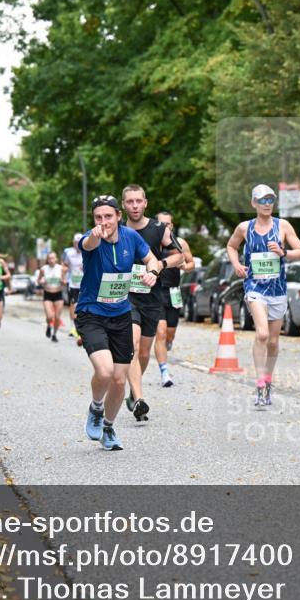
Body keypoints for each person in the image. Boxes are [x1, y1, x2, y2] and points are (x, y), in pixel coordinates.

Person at [77, 195, 164, 450]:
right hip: (92, 313)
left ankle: (108, 427)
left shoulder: (130, 237)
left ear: (118, 216)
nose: (103, 222)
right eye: (98, 217)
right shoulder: (91, 238)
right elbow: (88, 243)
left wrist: (153, 272)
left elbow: (152, 259)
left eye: (108, 216)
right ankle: (95, 407)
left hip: (121, 314)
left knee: (118, 379)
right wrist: (95, 234)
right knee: (104, 371)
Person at [226, 184, 300, 406]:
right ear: (254, 203)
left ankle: (268, 380)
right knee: (261, 334)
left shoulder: (283, 226)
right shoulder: (244, 228)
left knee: (272, 341)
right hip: (254, 287)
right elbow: (231, 246)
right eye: (262, 200)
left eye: (270, 199)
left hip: (277, 289)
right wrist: (236, 265)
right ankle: (260, 383)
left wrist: (283, 252)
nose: (267, 203)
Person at [121, 184, 183, 420]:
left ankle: (132, 390)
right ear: (123, 204)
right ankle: (139, 399)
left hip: (152, 297)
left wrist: (160, 265)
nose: (135, 206)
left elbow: (179, 256)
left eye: (139, 201)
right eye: (130, 202)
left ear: (145, 203)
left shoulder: (159, 229)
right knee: (133, 345)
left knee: (145, 352)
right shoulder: (117, 229)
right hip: (126, 297)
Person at [153, 211, 196, 387]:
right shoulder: (152, 244)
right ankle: (164, 373)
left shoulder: (181, 243)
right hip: (156, 292)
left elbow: (191, 263)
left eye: (168, 224)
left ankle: (168, 344)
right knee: (161, 332)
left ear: (172, 225)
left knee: (170, 333)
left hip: (173, 292)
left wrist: (185, 266)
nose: (165, 227)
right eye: (162, 224)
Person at [37, 251, 65, 342]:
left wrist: (62, 281)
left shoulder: (61, 268)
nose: (51, 260)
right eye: (49, 258)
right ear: (47, 260)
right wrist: (41, 282)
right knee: (50, 316)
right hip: (48, 294)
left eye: (53, 258)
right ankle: (49, 326)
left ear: (56, 259)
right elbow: (38, 280)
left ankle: (54, 334)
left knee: (57, 317)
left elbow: (65, 282)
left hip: (58, 294)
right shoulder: (43, 269)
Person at [62, 233, 84, 344]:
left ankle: (82, 326)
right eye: (76, 243)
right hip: (73, 284)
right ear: (73, 243)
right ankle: (74, 327)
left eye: (80, 243)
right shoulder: (69, 253)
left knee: (84, 305)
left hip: (85, 284)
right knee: (73, 305)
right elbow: (64, 265)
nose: (78, 245)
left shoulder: (87, 252)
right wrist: (64, 275)